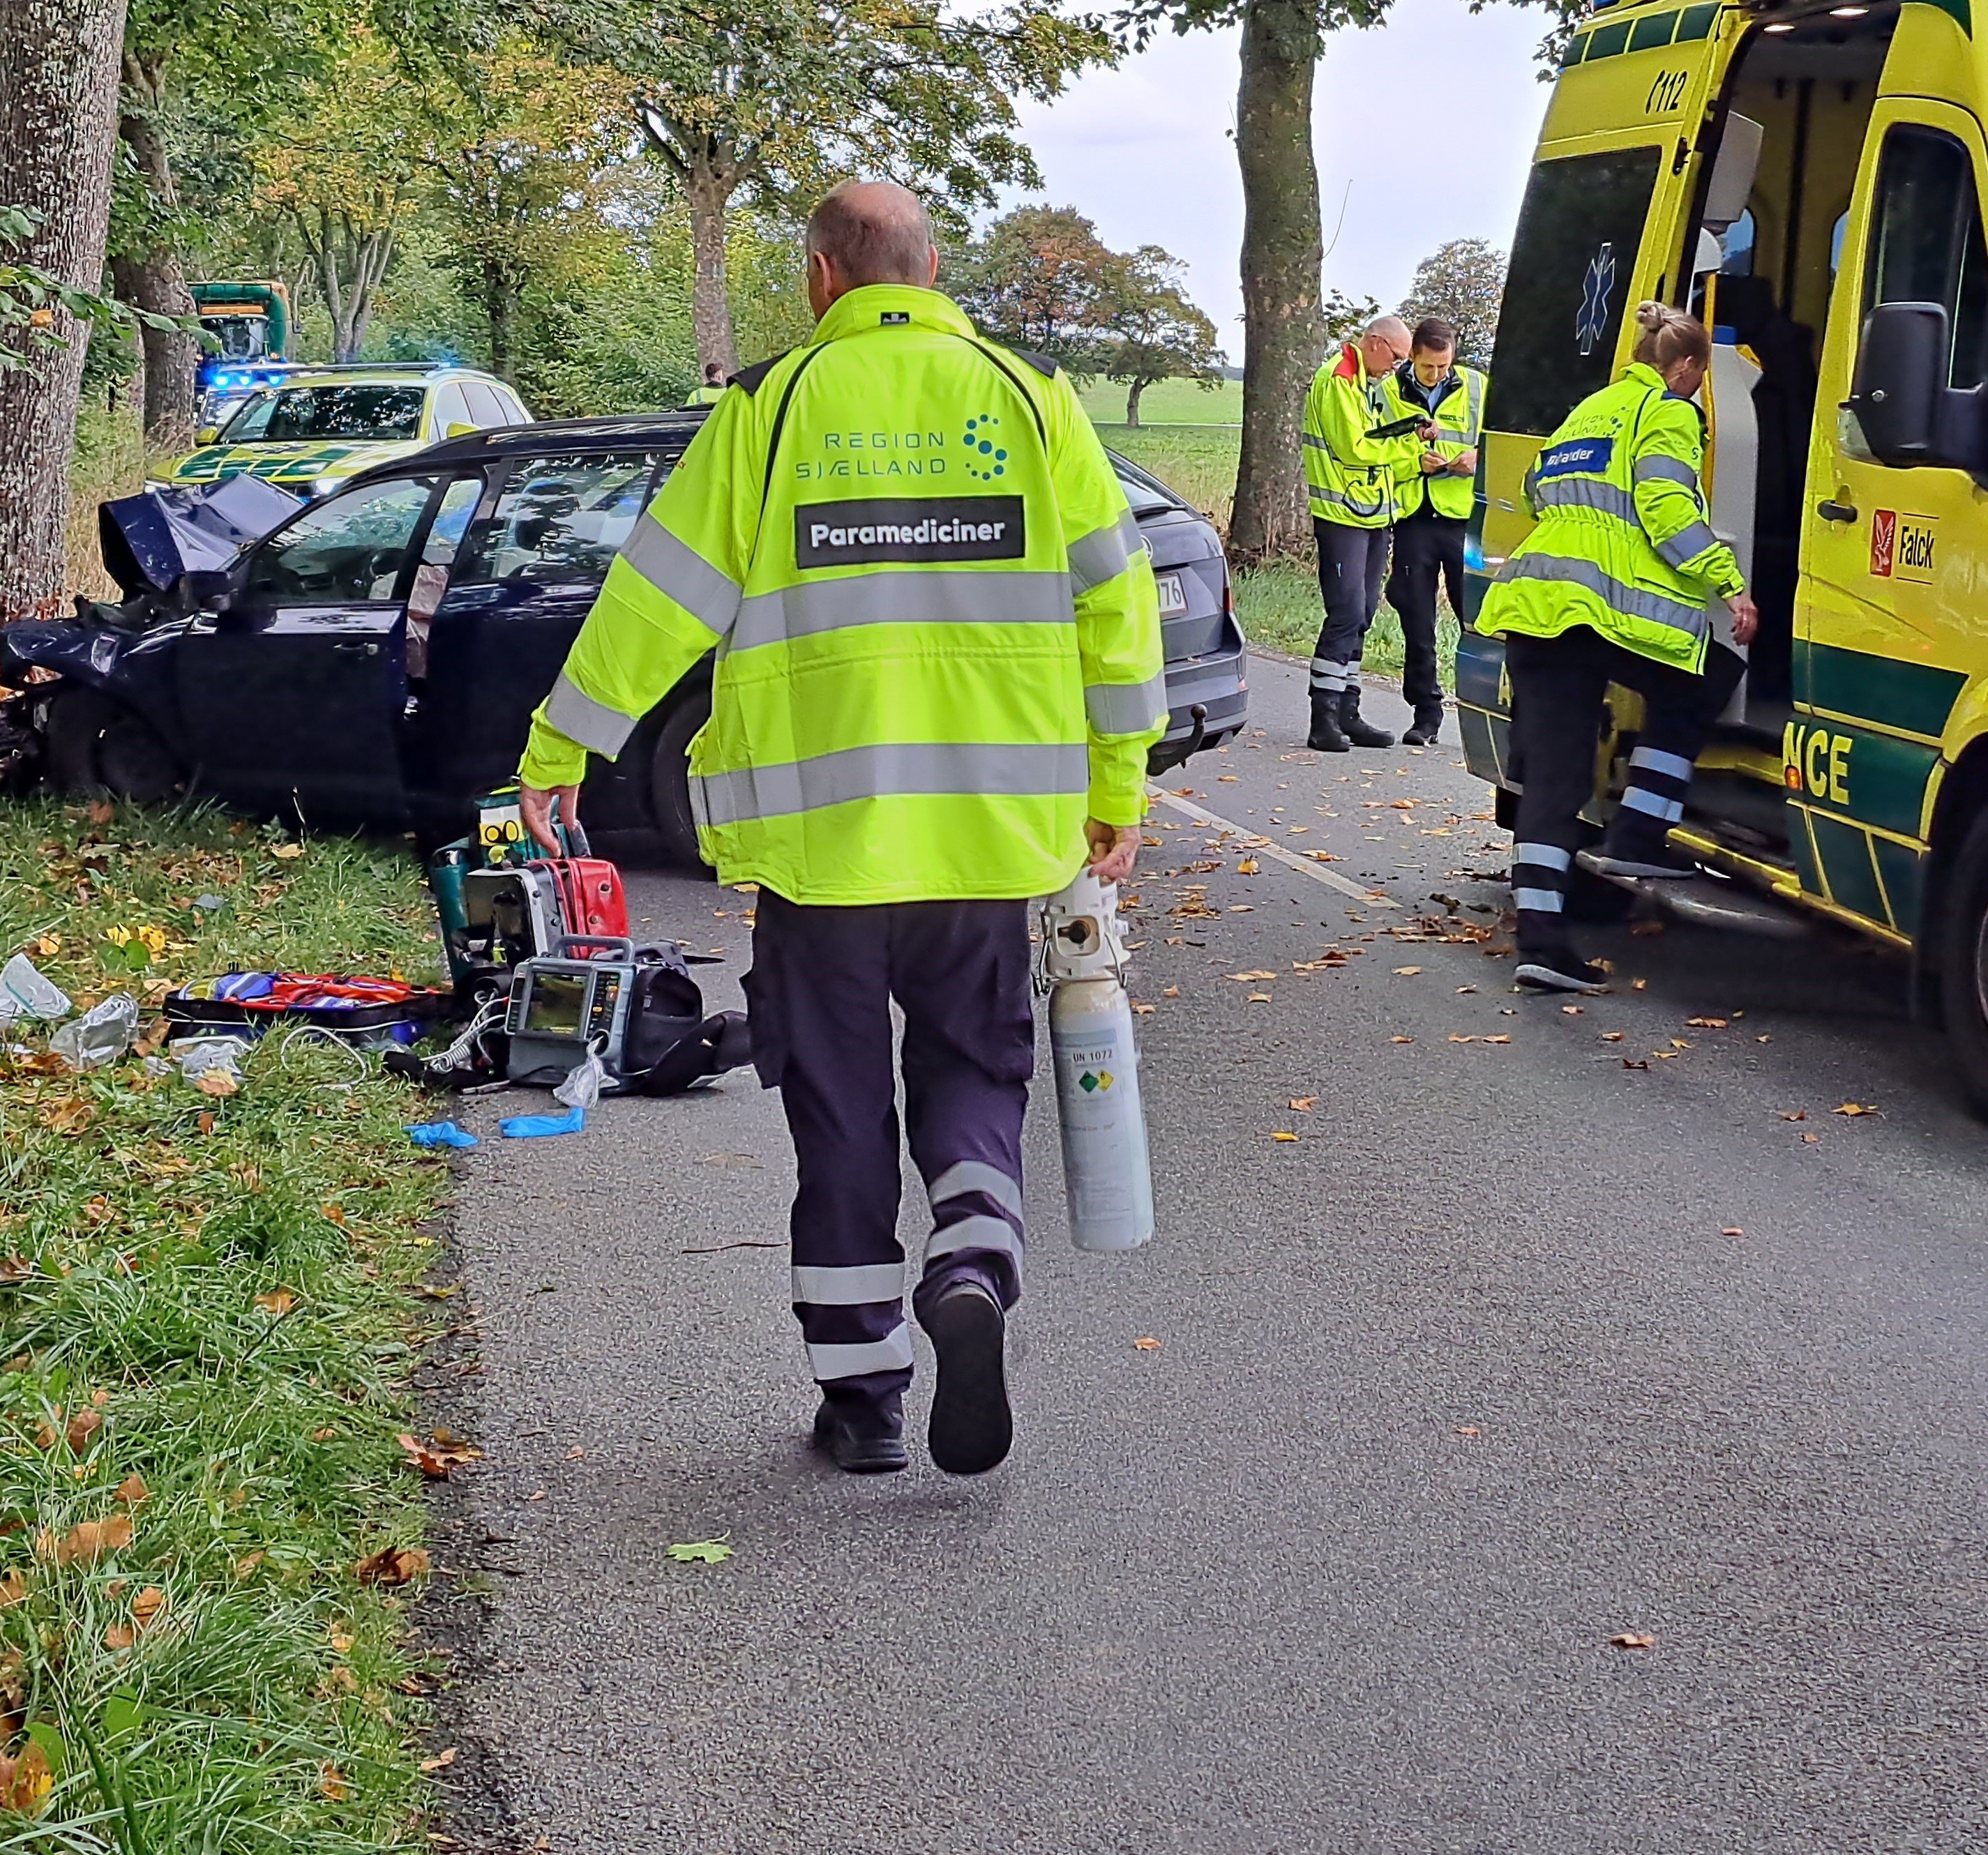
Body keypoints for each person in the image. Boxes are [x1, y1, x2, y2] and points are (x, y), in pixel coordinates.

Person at [515, 180, 1164, 1480]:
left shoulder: (770, 408)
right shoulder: (1031, 400)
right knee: (977, 1070)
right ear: (930, 271)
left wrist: (560, 743)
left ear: (823, 280)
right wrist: (1119, 778)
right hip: (988, 841)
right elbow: (1113, 597)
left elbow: (661, 593)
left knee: (837, 1105)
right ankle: (973, 1256)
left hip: (820, 855)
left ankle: (863, 1391)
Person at [1475, 301, 1755, 994]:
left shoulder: (1590, 409)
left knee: (1553, 781)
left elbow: (1535, 489)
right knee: (1703, 678)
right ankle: (1638, 834)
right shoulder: (1668, 410)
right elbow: (1665, 506)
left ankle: (1541, 942)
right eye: (1696, 378)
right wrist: (1729, 585)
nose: (1696, 391)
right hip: (1595, 611)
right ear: (1685, 366)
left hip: (1533, 603)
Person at [1298, 312, 1422, 752]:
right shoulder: (1338, 379)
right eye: (1396, 357)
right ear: (1374, 342)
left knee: (1365, 612)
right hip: (1342, 516)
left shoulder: (1373, 382)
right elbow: (1355, 449)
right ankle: (1323, 717)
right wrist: (1411, 460)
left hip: (1373, 515)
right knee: (1347, 611)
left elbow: (1390, 429)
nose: (1397, 367)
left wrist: (1418, 431)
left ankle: (1349, 711)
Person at [1383, 316, 1482, 746]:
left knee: (1475, 618)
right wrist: (1412, 463)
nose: (1438, 375)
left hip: (1463, 521)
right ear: (1413, 358)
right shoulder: (1387, 392)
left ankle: (1482, 713)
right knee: (1417, 620)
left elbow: (1498, 438)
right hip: (1414, 519)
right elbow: (1373, 449)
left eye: (1445, 366)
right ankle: (1426, 714)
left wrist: (1477, 457)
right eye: (1429, 367)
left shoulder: (1478, 387)